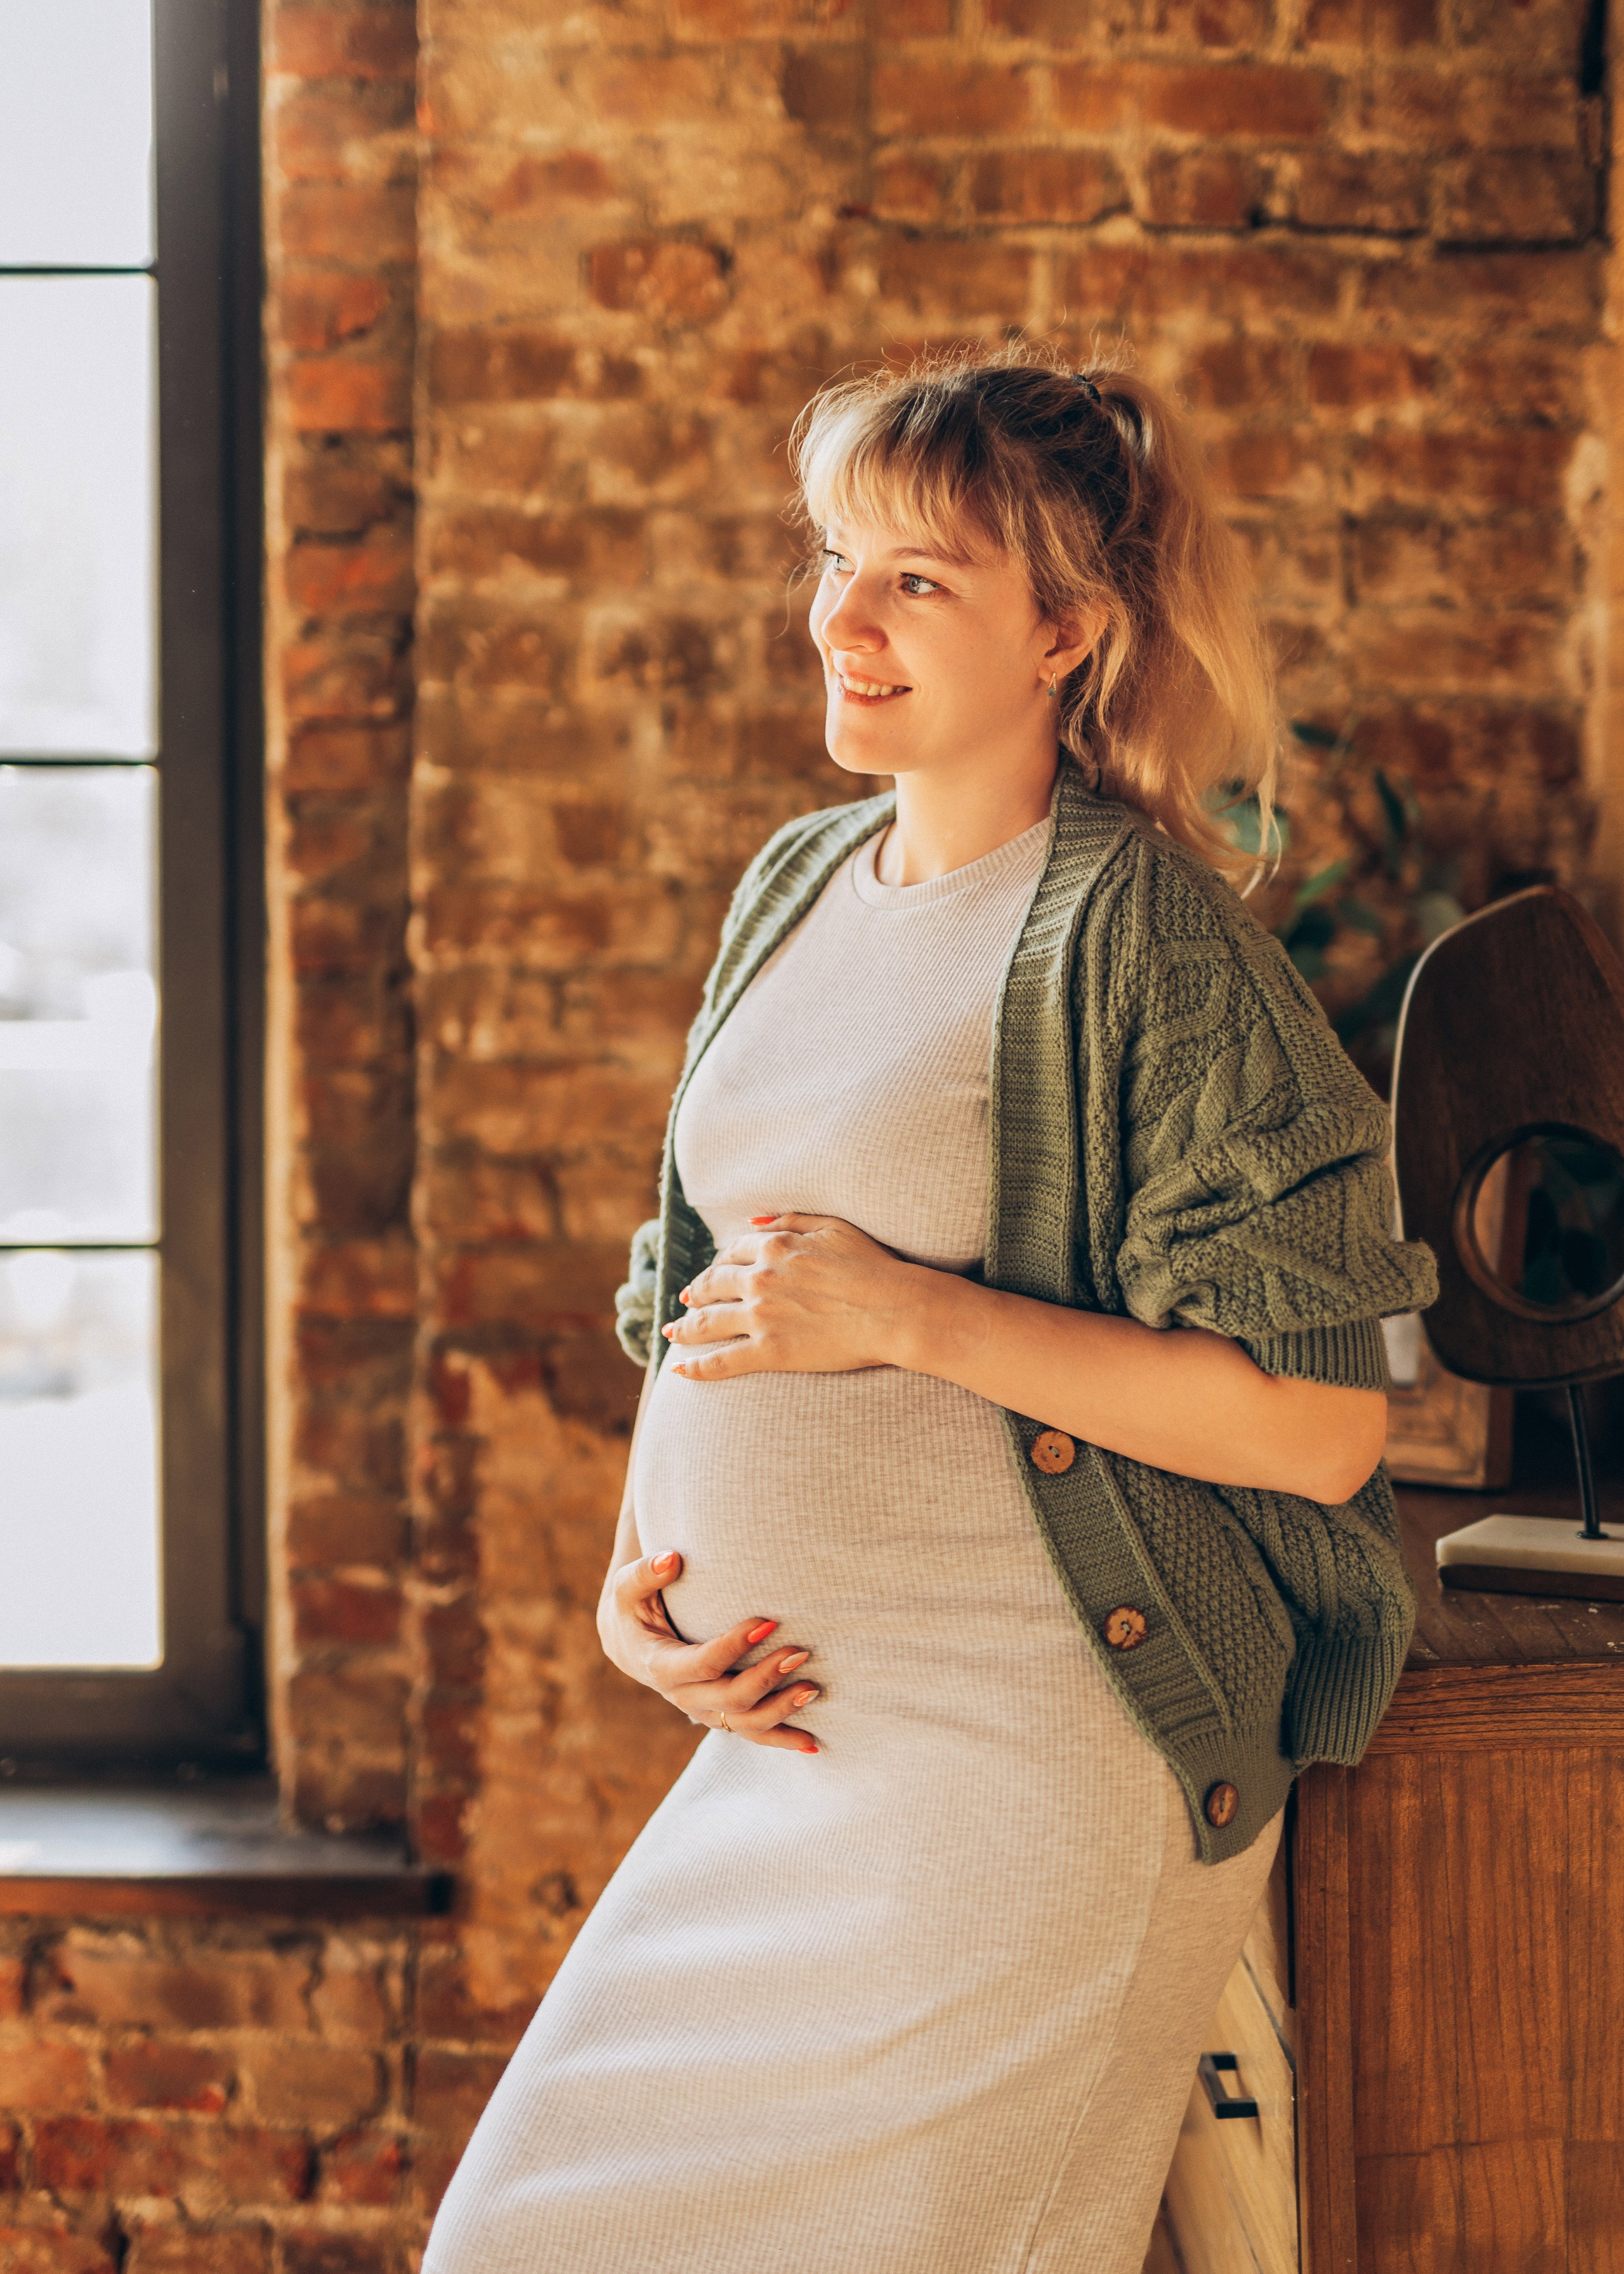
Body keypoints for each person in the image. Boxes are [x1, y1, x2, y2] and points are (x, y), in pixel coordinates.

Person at [422, 347, 1437, 2274]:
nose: (841, 618)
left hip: (1034, 1773)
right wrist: (643, 1585)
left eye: (920, 580)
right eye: (832, 555)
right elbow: (704, 1281)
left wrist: (912, 1315)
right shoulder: (801, 879)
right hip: (792, 1756)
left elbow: (1318, 1430)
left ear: (1067, 630)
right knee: (515, 2242)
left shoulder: (1148, 939)